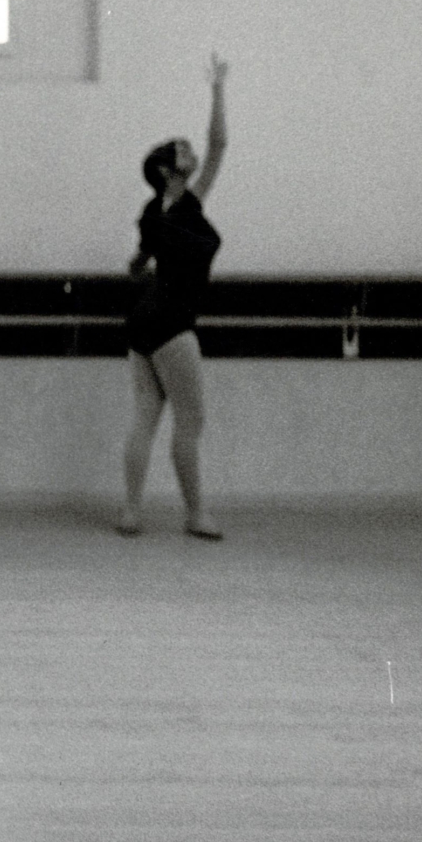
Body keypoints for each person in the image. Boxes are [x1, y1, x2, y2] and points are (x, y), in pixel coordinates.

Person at [116, 55, 229, 539]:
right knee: (191, 420)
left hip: (143, 317)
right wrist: (218, 89)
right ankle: (196, 514)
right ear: (168, 172)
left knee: (145, 418)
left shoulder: (150, 213)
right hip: (172, 318)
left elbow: (136, 263)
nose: (192, 153)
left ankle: (132, 512)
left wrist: (147, 264)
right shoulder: (186, 202)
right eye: (181, 152)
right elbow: (219, 144)